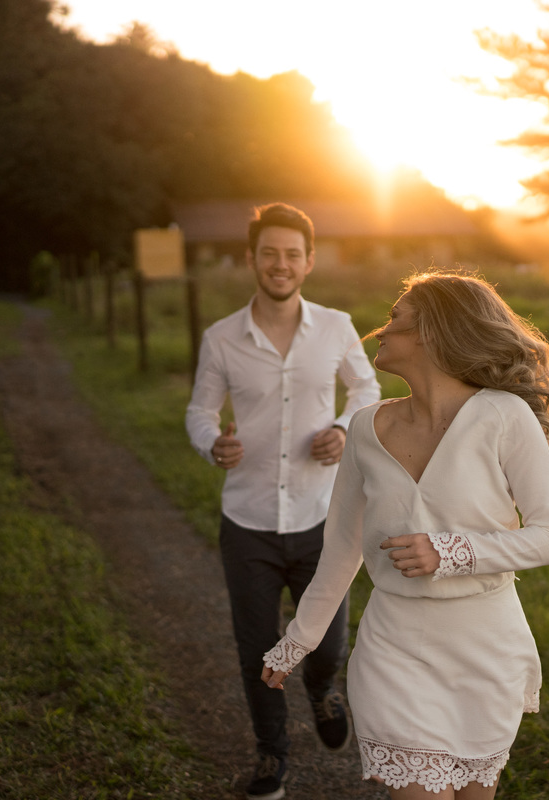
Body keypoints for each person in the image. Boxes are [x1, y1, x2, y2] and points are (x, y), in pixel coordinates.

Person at [262, 271, 549, 799]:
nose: (380, 331)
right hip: (394, 647)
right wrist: (298, 640)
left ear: (433, 332)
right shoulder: (363, 428)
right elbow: (340, 551)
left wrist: (451, 552)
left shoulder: (504, 416)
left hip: (485, 648)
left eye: (396, 320)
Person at [185, 203, 381, 800]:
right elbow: (199, 411)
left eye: (292, 254)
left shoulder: (337, 326)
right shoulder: (221, 338)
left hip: (323, 517)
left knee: (324, 640)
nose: (280, 264)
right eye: (269, 253)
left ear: (309, 262)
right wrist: (210, 442)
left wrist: (346, 427)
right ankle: (272, 756)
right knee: (256, 647)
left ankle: (323, 688)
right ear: (251, 259)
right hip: (246, 523)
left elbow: (367, 387)